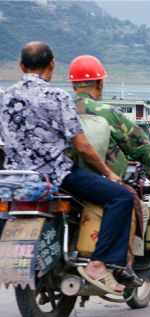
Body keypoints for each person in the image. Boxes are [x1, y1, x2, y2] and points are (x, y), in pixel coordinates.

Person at [0, 41, 133, 295]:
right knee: (121, 197)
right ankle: (98, 264)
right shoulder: (58, 97)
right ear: (52, 65)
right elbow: (82, 146)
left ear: (20, 66)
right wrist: (109, 173)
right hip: (56, 176)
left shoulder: (6, 97)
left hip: (16, 179)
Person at [69, 55, 150, 180]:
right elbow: (139, 145)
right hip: (104, 183)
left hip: (64, 182)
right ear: (99, 84)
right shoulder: (108, 113)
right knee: (130, 198)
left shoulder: (62, 110)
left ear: (74, 86)